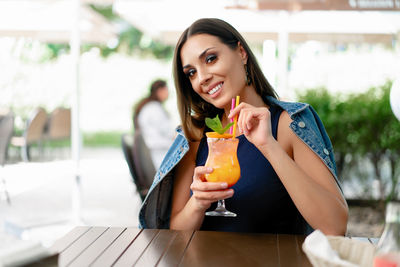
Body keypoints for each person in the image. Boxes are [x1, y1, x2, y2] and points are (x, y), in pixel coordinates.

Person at [138, 18, 348, 236]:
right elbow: (174, 235)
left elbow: (335, 226)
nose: (202, 78)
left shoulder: (288, 123)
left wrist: (268, 145)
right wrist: (198, 203)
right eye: (191, 72)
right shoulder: (195, 134)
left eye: (211, 59)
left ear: (241, 52)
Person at [133, 79, 175, 168]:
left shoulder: (150, 107)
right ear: (160, 91)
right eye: (166, 90)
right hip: (159, 157)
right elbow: (156, 139)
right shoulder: (154, 109)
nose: (168, 93)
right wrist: (175, 142)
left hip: (155, 155)